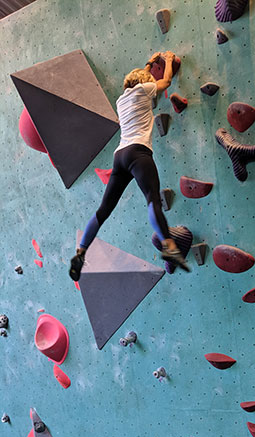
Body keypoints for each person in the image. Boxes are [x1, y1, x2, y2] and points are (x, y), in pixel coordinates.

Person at [69, 50, 189, 281]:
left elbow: (138, 78)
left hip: (120, 156)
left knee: (103, 210)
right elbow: (165, 81)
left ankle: (81, 252)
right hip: (138, 152)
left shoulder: (121, 99)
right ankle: (169, 246)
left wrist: (148, 62)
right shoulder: (145, 90)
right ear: (145, 82)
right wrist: (168, 61)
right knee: (152, 199)